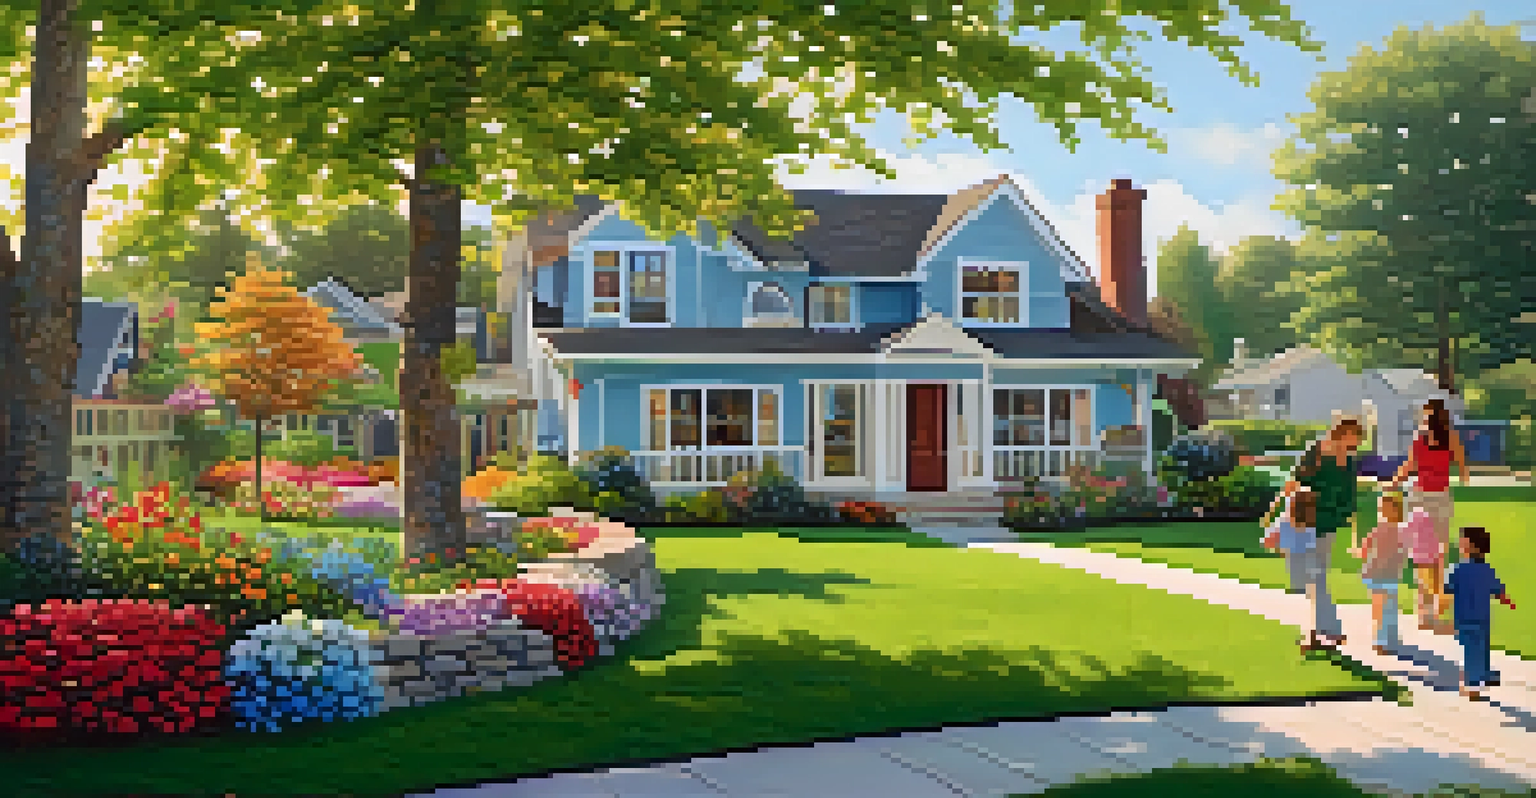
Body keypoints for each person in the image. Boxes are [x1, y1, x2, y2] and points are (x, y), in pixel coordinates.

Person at [1284, 416, 1365, 652]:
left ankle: (1325, 630)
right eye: (1354, 436)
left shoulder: (1348, 461)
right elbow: (1296, 482)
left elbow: (1349, 496)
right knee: (1309, 578)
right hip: (1304, 521)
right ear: (1341, 432)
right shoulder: (1316, 452)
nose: (1355, 442)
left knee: (1316, 577)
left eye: (1357, 438)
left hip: (1326, 524)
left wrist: (1344, 516)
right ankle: (1323, 630)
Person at [1392, 399, 1470, 634]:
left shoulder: (1422, 436)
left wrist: (1394, 482)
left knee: (1424, 557)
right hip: (1436, 498)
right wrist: (1463, 476)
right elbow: (1462, 464)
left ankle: (1426, 613)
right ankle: (1433, 613)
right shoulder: (1448, 437)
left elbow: (1409, 466)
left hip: (1422, 497)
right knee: (1436, 557)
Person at [1445, 527, 1516, 700]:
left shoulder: (1457, 570)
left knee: (1471, 650)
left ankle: (1473, 686)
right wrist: (1507, 601)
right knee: (1482, 647)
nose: (1459, 544)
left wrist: (1439, 611)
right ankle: (1485, 674)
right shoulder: (1486, 569)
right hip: (1483, 617)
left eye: (1462, 541)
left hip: (1465, 618)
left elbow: (1447, 591)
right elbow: (1499, 590)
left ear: (1470, 546)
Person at [1353, 491, 1409, 654]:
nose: (1382, 510)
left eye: (1384, 507)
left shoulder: (1383, 528)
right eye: (1381, 507)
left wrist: (1357, 551)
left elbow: (1364, 550)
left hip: (1380, 574)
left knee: (1383, 607)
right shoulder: (1399, 530)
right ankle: (1383, 640)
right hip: (1385, 574)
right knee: (1387, 607)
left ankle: (1384, 639)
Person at [1261, 488, 1319, 597]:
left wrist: (1272, 509)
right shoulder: (1314, 522)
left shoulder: (1286, 521)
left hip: (1296, 555)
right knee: (1309, 584)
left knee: (1299, 587)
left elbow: (1270, 539)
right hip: (1310, 554)